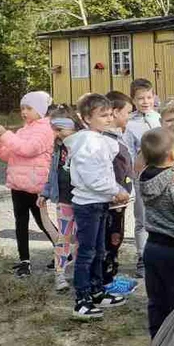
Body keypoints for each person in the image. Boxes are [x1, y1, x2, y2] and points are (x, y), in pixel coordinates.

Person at [65, 94, 131, 320]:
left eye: (110, 114)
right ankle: (81, 300)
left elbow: (107, 163)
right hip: (88, 206)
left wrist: (111, 192)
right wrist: (116, 191)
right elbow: (94, 178)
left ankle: (96, 290)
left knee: (100, 251)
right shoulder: (88, 144)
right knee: (87, 253)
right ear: (85, 119)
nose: (108, 118)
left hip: (100, 202)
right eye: (102, 115)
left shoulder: (99, 139)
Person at [0, 91, 57, 277]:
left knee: (43, 222)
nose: (24, 112)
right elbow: (10, 155)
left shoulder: (46, 130)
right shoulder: (22, 130)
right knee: (20, 222)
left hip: (36, 186)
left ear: (41, 110)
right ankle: (24, 261)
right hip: (18, 184)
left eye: (29, 108)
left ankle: (64, 253)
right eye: (22, 108)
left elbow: (28, 149)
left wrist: (6, 135)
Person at [139, 126, 174, 337]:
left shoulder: (145, 175)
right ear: (173, 154)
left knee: (156, 299)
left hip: (152, 246)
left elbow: (169, 167)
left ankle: (157, 339)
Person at [38, 107, 81, 292]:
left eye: (59, 129)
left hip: (83, 201)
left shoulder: (82, 146)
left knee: (81, 238)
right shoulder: (58, 149)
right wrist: (45, 192)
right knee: (63, 238)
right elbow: (52, 174)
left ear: (73, 128)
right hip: (64, 201)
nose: (56, 133)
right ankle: (60, 273)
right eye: (53, 129)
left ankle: (81, 272)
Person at [124, 78, 163, 278]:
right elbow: (128, 152)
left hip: (163, 174)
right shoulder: (130, 124)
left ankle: (161, 255)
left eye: (149, 97)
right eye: (141, 98)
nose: (146, 101)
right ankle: (142, 257)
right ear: (133, 100)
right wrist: (134, 172)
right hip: (142, 176)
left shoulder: (160, 118)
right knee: (142, 217)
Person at [102, 91, 136, 294]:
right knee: (110, 238)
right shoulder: (106, 140)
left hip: (119, 201)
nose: (129, 118)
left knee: (116, 236)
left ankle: (111, 274)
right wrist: (115, 191)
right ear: (114, 112)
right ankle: (107, 281)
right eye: (127, 113)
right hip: (112, 200)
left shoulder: (117, 136)